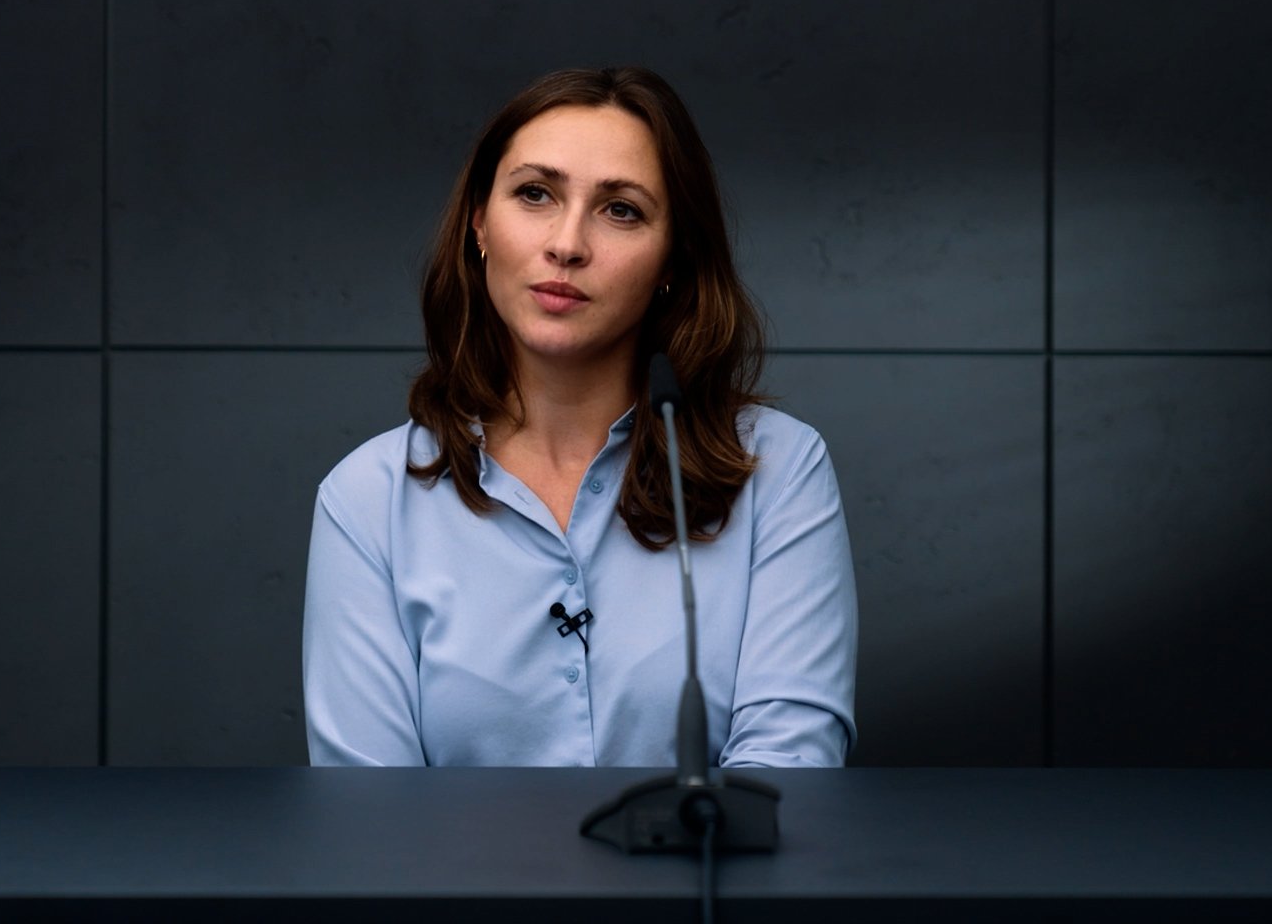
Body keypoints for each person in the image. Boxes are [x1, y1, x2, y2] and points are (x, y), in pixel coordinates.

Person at [302, 66, 857, 767]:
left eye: (620, 209)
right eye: (535, 194)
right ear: (479, 222)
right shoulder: (368, 500)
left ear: (672, 259)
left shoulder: (778, 470)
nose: (567, 243)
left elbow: (790, 776)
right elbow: (368, 819)